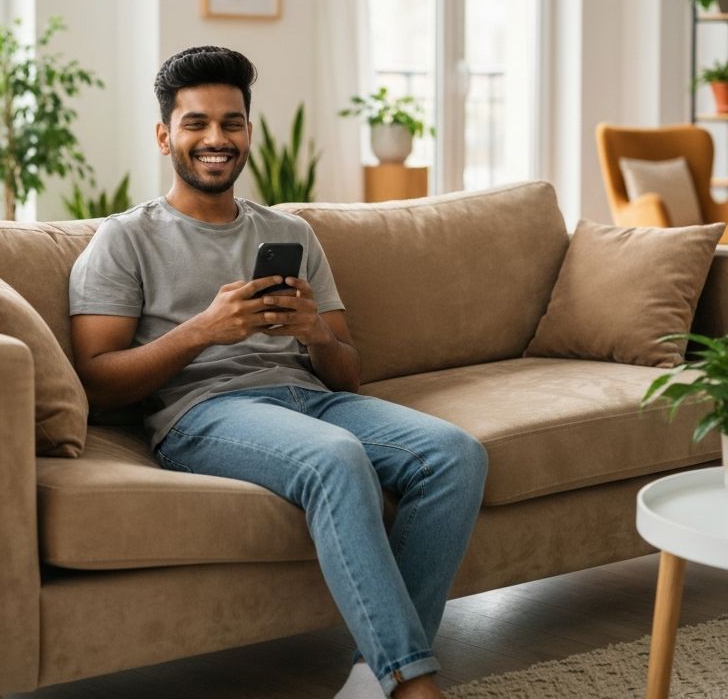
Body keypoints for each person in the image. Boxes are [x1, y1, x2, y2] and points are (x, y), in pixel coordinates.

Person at [69, 45, 488, 699]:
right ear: (164, 136)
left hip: (312, 400)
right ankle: (412, 685)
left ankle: (367, 677)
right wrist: (202, 331)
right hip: (204, 414)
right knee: (337, 459)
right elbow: (97, 381)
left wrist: (314, 330)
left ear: (249, 134)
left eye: (231, 123)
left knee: (455, 454)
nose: (216, 138)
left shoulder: (291, 233)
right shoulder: (124, 240)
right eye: (196, 123)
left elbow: (347, 374)